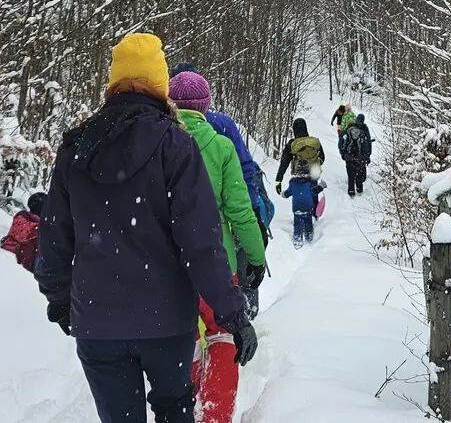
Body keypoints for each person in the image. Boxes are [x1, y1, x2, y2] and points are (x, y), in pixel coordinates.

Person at [35, 33, 257, 423]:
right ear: (160, 83)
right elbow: (201, 245)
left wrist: (62, 302)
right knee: (174, 410)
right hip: (166, 322)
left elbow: (54, 241)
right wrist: (232, 313)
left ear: (113, 81)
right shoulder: (176, 145)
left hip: (98, 323)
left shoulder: (76, 147)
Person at [169, 71, 266, 423]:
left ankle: (184, 406)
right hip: (217, 264)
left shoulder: (159, 145)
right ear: (206, 106)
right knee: (223, 332)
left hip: (169, 267)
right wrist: (256, 256)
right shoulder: (222, 148)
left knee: (185, 334)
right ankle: (215, 415)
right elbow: (240, 211)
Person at [169, 62, 274, 318]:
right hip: (218, 240)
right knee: (228, 303)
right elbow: (246, 170)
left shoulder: (157, 133)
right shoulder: (223, 127)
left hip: (170, 252)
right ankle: (243, 319)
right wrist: (251, 214)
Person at [274, 118, 325, 194]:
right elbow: (322, 157)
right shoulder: (314, 142)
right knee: (312, 196)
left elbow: (284, 163)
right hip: (313, 176)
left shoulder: (292, 144)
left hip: (298, 177)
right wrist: (314, 164)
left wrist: (278, 180)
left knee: (299, 199)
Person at [283, 160, 325, 248]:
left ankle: (297, 239)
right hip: (308, 207)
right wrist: (321, 186)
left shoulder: (293, 182)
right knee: (308, 222)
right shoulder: (310, 182)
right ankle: (309, 237)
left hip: (296, 207)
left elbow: (288, 193)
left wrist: (284, 194)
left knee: (297, 224)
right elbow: (314, 191)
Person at [0, 191, 44, 271]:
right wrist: (44, 228)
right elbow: (23, 233)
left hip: (29, 266)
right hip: (8, 261)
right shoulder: (23, 216)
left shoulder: (43, 223)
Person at [340, 114, 373, 197]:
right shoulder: (365, 129)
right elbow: (368, 143)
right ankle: (359, 190)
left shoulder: (350, 128)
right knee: (359, 174)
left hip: (349, 157)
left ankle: (351, 191)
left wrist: (343, 153)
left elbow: (341, 140)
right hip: (360, 157)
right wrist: (368, 156)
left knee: (350, 175)